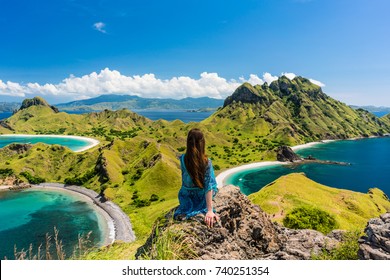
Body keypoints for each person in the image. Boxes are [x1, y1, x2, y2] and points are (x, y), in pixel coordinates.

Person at [174, 128, 219, 227]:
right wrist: (210, 210)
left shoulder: (182, 159)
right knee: (213, 185)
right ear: (202, 143)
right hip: (200, 197)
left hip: (185, 197)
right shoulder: (206, 162)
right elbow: (209, 186)